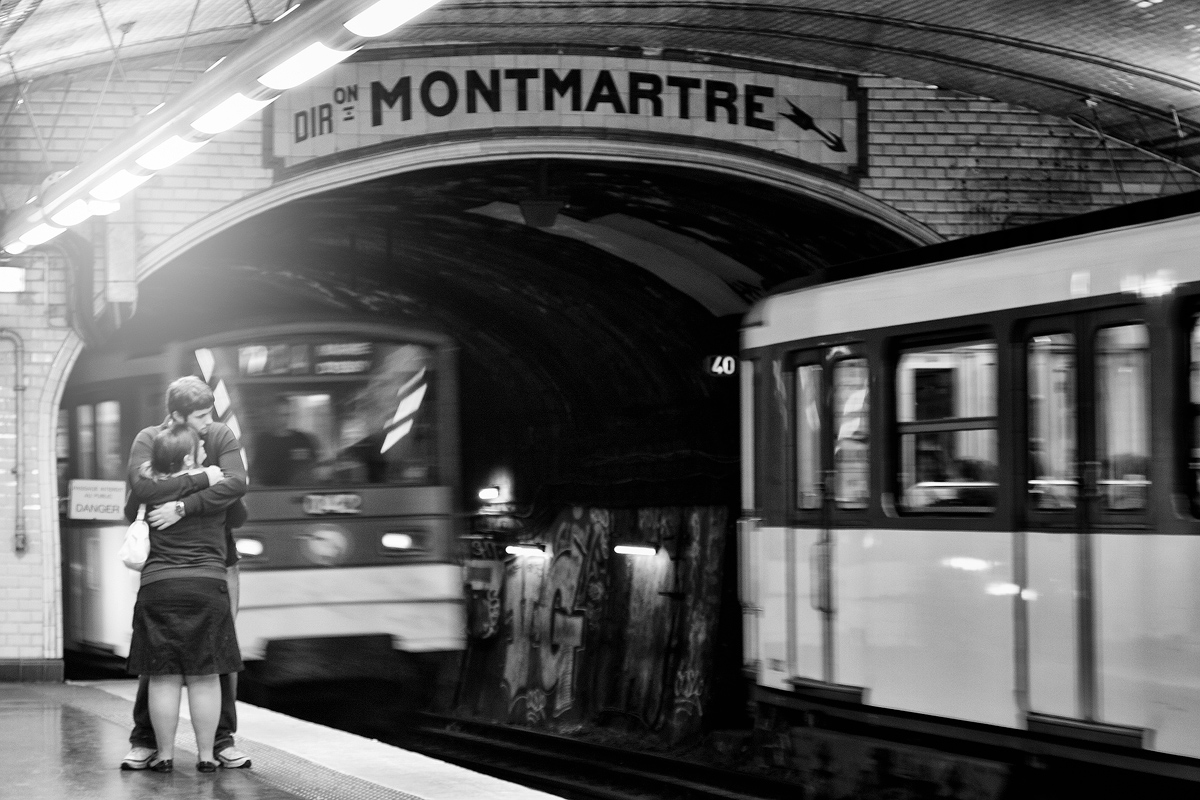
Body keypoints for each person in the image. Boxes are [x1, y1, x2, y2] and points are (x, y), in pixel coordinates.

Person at [120, 376, 252, 771]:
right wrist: (207, 479)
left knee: (208, 658)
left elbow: (239, 484)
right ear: (175, 414)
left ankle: (210, 742)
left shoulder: (218, 433)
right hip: (201, 568)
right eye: (199, 415)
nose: (208, 422)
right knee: (184, 665)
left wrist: (181, 506)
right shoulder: (150, 438)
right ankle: (153, 741)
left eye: (209, 412)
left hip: (211, 561)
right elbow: (140, 488)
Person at [251, 395, 319, 486]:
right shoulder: (262, 442)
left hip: (300, 493)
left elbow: (315, 469)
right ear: (271, 415)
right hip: (269, 495)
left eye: (286, 415)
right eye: (278, 415)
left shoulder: (302, 440)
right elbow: (256, 475)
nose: (283, 420)